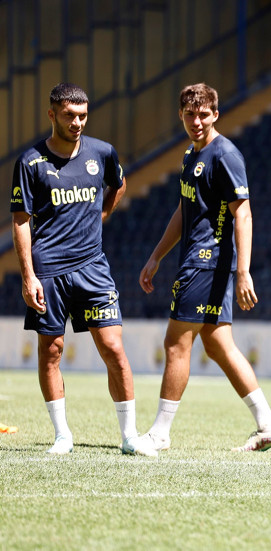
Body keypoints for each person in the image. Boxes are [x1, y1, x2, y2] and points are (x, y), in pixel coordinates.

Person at [10, 83, 157, 456]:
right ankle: (62, 436)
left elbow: (118, 185)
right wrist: (28, 275)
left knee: (113, 348)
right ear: (52, 115)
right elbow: (21, 220)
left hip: (93, 267)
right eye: (69, 115)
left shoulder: (102, 152)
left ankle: (129, 437)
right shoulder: (30, 162)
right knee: (52, 350)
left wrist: (100, 216)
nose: (77, 122)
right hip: (49, 269)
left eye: (83, 115)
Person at [138, 83, 271, 452]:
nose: (197, 121)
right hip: (200, 262)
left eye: (204, 114)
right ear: (181, 115)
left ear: (216, 114)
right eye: (190, 114)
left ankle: (159, 433)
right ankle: (268, 425)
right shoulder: (191, 154)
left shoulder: (225, 154)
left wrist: (243, 271)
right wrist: (157, 255)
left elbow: (244, 214)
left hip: (207, 263)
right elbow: (183, 210)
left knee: (175, 343)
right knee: (219, 345)